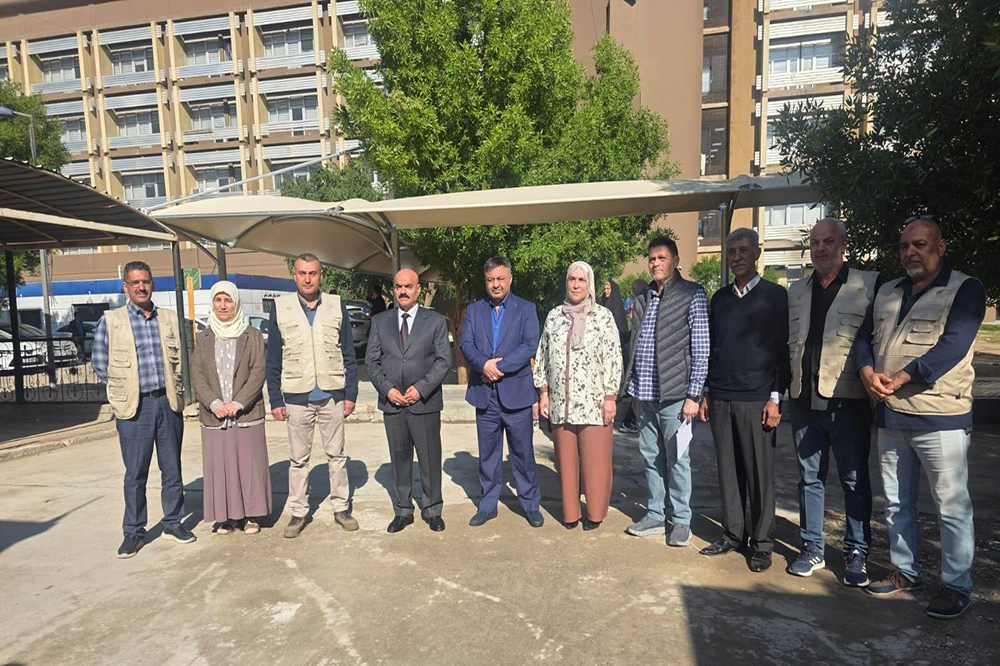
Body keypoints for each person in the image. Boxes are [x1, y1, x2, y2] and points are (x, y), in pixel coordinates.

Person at [858, 216, 986, 620]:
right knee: (897, 502)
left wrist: (901, 376)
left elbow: (954, 345)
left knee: (951, 505)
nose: (910, 252)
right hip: (891, 416)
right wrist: (866, 371)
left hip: (940, 418)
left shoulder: (965, 289)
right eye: (904, 246)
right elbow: (863, 338)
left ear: (940, 247)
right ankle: (906, 571)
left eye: (920, 245)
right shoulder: (888, 291)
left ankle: (957, 584)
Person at [785, 218, 879, 587]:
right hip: (803, 402)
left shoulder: (868, 286)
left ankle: (857, 552)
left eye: (828, 241)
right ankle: (812, 547)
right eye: (815, 243)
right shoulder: (797, 290)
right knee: (809, 479)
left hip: (847, 404)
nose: (820, 248)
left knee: (854, 480)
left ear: (843, 245)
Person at [698, 229, 789, 573]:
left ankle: (762, 544)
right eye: (732, 251)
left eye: (743, 250)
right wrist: (707, 391)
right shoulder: (720, 299)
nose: (736, 257)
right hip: (722, 396)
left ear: (757, 253)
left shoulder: (775, 296)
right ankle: (733, 534)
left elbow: (782, 351)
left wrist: (775, 398)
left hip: (757, 398)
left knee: (759, 475)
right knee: (728, 471)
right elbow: (713, 348)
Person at [91, 260, 194, 558]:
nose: (141, 287)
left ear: (152, 285)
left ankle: (173, 523)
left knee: (172, 468)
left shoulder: (169, 319)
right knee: (136, 473)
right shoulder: (112, 321)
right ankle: (134, 532)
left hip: (167, 403)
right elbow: (100, 362)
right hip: (134, 408)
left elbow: (182, 359)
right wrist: (123, 391)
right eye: (134, 282)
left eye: (145, 281)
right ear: (125, 286)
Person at [621, 237, 709, 546]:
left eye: (661, 257)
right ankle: (656, 515)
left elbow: (701, 348)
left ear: (675, 260)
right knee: (650, 456)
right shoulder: (644, 296)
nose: (655, 263)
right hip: (645, 394)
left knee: (677, 459)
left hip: (676, 395)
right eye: (651, 258)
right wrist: (633, 390)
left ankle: (681, 519)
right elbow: (636, 344)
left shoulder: (692, 294)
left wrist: (694, 395)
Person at [266, 253, 360, 538]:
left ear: (321, 276)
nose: (308, 279)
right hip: (297, 396)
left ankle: (341, 508)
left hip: (332, 395)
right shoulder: (281, 308)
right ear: (294, 276)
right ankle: (298, 512)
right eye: (302, 273)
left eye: (313, 273)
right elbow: (273, 358)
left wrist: (351, 393)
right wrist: (275, 399)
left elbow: (349, 353)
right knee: (298, 459)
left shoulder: (335, 305)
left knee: (337, 456)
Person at [535, 262, 621, 530]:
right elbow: (543, 356)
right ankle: (571, 514)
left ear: (589, 284)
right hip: (562, 404)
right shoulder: (554, 316)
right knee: (566, 464)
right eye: (571, 279)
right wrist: (544, 392)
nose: (575, 285)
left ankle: (594, 513)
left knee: (596, 463)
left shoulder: (603, 317)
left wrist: (610, 397)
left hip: (594, 404)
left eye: (581, 280)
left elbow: (614, 357)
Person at [366, 269, 452, 533]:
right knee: (399, 458)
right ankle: (403, 510)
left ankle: (432, 509)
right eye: (398, 286)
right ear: (393, 289)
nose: (403, 291)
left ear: (418, 290)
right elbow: (372, 362)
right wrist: (387, 390)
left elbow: (443, 361)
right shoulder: (380, 321)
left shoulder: (435, 321)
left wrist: (421, 388)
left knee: (430, 459)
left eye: (408, 286)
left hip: (424, 403)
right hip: (393, 404)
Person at [460, 256, 543, 528]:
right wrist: (483, 365)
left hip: (516, 395)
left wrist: (498, 367)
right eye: (490, 280)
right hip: (485, 395)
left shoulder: (526, 309)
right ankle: (487, 505)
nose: (495, 284)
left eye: (499, 279)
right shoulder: (474, 310)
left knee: (523, 454)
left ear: (510, 279)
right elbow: (466, 344)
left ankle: (530, 504)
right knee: (488, 455)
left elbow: (530, 344)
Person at [191, 281, 272, 536]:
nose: (223, 306)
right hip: (215, 416)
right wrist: (214, 404)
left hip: (246, 413)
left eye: (228, 300)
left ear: (236, 303)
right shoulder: (203, 338)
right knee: (221, 467)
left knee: (249, 466)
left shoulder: (252, 335)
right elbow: (197, 374)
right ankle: (226, 517)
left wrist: (238, 403)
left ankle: (250, 515)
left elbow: (258, 371)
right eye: (218, 300)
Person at [619, 279, 647, 433]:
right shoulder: (637, 303)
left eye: (634, 288)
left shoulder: (644, 303)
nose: (633, 291)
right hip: (636, 353)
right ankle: (628, 421)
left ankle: (629, 420)